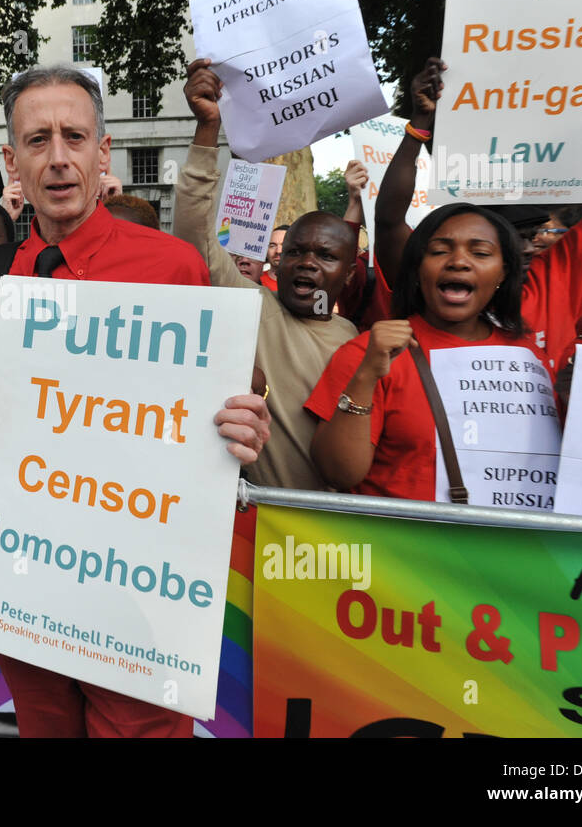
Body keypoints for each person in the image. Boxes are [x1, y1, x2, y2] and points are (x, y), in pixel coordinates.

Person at [0, 65, 272, 738]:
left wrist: (241, 422)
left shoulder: (174, 266)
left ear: (102, 153)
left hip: (141, 590)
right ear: (12, 162)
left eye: (75, 137)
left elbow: (220, 411)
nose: (58, 157)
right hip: (28, 581)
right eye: (38, 140)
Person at [374, 48, 582, 375]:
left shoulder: (552, 284)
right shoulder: (434, 289)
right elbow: (389, 221)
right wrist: (419, 122)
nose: (523, 246)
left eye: (530, 235)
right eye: (497, 241)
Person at [173, 58, 359, 491]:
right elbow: (193, 238)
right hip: (256, 531)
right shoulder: (253, 305)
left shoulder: (355, 340)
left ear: (349, 275)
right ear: (278, 260)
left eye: (324, 255)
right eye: (295, 251)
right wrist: (207, 129)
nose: (306, 262)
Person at [306, 202, 539, 501]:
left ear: (503, 273)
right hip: (398, 544)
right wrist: (366, 376)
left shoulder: (528, 355)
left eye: (480, 253)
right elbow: (338, 473)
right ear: (417, 268)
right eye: (440, 251)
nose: (459, 262)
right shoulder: (368, 352)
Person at [261, 225, 288, 292]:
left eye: (284, 245)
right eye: (272, 246)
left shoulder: (303, 284)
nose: (278, 251)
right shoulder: (256, 281)